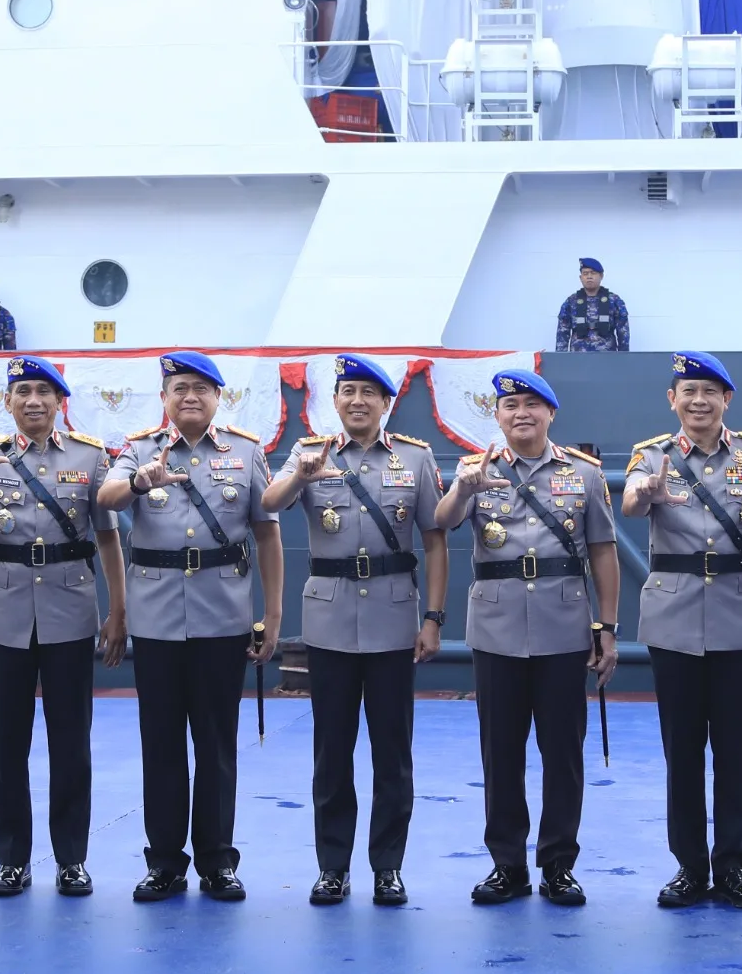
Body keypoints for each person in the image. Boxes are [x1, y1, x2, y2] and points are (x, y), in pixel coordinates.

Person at [0, 355, 124, 899]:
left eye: (43, 391)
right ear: (8, 403)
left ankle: (71, 860)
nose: (33, 400)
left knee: (71, 742)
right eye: (22, 392)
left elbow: (108, 537)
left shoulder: (89, 457)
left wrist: (118, 611)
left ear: (59, 402)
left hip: (69, 611)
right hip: (4, 612)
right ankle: (12, 859)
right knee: (6, 743)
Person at [99, 352, 285, 902]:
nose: (190, 397)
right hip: (156, 620)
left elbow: (267, 535)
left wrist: (271, 617)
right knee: (160, 746)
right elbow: (105, 500)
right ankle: (163, 862)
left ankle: (217, 861)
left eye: (202, 389)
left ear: (217, 398)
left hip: (223, 618)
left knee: (216, 745)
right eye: (179, 387)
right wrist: (138, 482)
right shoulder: (137, 449)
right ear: (163, 398)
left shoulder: (246, 451)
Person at [264, 354, 448, 907]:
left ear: (387, 403)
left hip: (394, 622)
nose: (358, 401)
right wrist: (301, 472)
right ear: (335, 401)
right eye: (348, 391)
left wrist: (434, 619)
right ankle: (333, 868)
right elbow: (268, 505)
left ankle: (388, 866)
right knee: (332, 752)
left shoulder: (414, 460)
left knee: (393, 753)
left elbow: (436, 539)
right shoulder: (309, 452)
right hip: (330, 622)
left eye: (370, 393)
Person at [435, 368, 619, 907]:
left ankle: (559, 863)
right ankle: (507, 864)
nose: (521, 413)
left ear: (550, 413)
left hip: (564, 629)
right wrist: (463, 489)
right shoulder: (474, 469)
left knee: (563, 752)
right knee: (501, 753)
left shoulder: (583, 474)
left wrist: (607, 628)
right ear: (497, 415)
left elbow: (604, 551)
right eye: (510, 404)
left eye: (532, 404)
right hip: (496, 629)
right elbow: (441, 523)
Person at [623, 352, 742, 911]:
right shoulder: (652, 456)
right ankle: (690, 867)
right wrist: (645, 493)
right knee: (683, 750)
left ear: (727, 400)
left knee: (737, 750)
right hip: (672, 620)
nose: (699, 401)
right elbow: (629, 502)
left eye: (710, 391)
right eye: (688, 390)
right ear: (673, 399)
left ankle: (735, 866)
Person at [554, 259, 629, 352]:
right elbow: (562, 333)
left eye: (593, 273)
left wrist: (624, 357)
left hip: (607, 358)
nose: (589, 277)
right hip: (578, 358)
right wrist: (561, 360)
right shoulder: (571, 301)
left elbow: (623, 332)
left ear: (601, 276)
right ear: (580, 278)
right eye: (585, 273)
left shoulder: (614, 300)